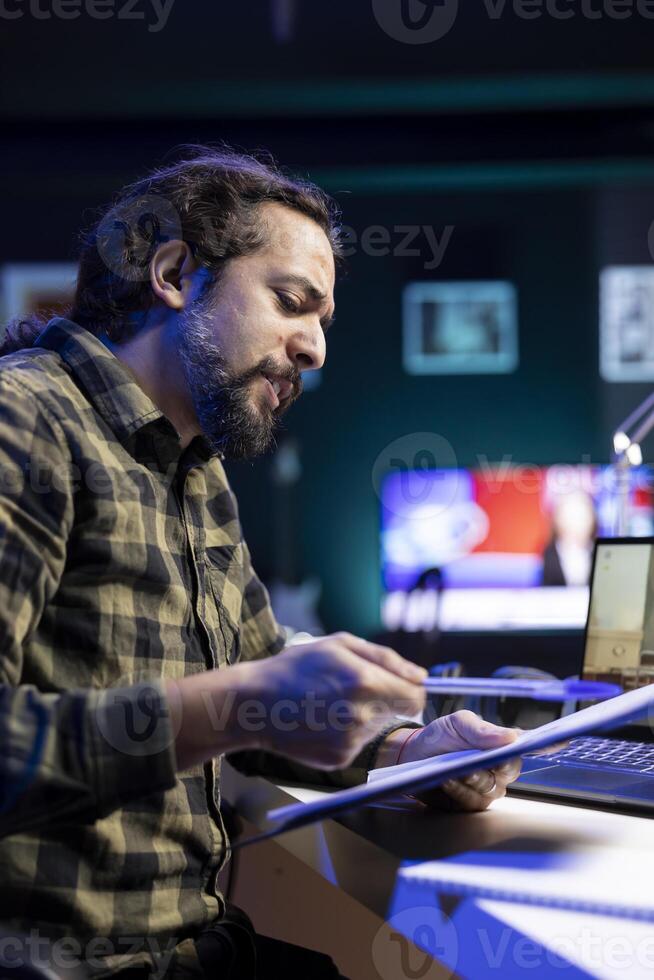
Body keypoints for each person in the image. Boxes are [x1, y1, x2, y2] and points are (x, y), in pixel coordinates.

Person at [0, 147, 521, 979]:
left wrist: (404, 750)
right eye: (291, 302)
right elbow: (244, 699)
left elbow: (255, 679)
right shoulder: (21, 422)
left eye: (323, 321)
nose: (314, 349)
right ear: (175, 273)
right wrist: (241, 704)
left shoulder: (194, 468)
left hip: (195, 951)